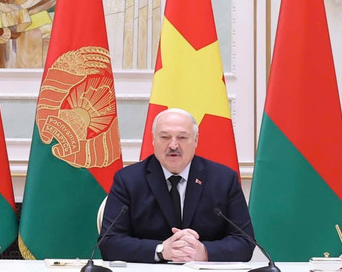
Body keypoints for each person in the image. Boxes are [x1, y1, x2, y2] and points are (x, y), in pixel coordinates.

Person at [100, 108, 254, 263]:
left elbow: (245, 242)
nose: (173, 145)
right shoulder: (129, 180)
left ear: (196, 140)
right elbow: (109, 243)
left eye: (182, 137)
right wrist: (160, 250)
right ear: (153, 140)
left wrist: (205, 252)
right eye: (165, 137)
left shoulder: (223, 180)